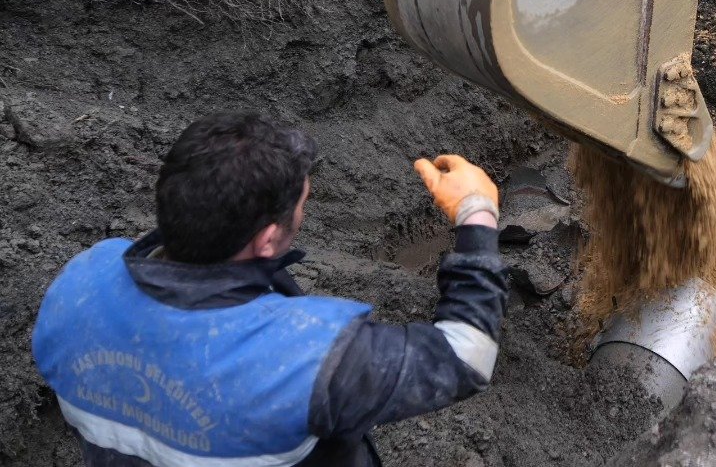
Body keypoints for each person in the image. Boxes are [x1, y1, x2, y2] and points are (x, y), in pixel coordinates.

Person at [31, 113, 508, 467]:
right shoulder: (302, 359)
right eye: (301, 200)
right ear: (264, 240)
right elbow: (465, 356)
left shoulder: (80, 284)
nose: (307, 202)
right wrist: (477, 211)